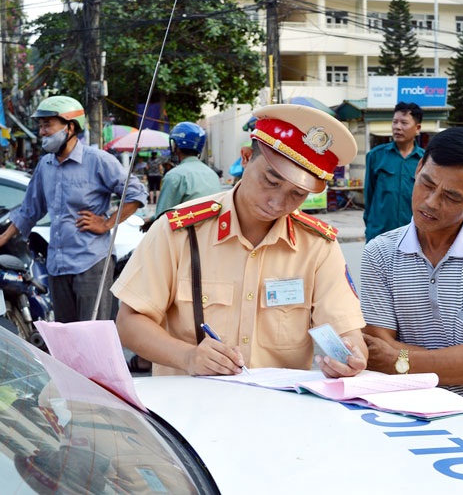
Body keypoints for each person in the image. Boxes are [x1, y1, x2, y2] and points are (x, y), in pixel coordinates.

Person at [113, 104, 368, 377]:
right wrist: (188, 357)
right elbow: (129, 322)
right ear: (246, 158)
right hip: (189, 408)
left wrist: (351, 357)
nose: (278, 202)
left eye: (297, 194)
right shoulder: (179, 231)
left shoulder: (317, 246)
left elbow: (349, 333)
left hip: (280, 411)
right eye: (271, 180)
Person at [360, 127, 463, 427]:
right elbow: (375, 352)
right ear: (419, 168)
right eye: (426, 184)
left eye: (450, 196)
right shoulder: (380, 254)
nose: (430, 202)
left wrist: (400, 360)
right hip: (404, 415)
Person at [0, 95, 147, 322]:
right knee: (65, 336)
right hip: (57, 265)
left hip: (91, 262)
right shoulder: (45, 165)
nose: (42, 132)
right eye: (40, 126)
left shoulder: (98, 160)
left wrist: (106, 223)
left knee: (92, 334)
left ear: (70, 127)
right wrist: (3, 237)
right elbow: (30, 210)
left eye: (47, 125)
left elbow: (137, 194)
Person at [130, 121, 222, 372]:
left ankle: (147, 355)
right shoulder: (210, 173)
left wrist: (148, 224)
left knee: (157, 303)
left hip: (180, 251)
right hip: (213, 248)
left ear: (176, 145)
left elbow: (163, 218)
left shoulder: (175, 175)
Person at [363, 102, 425, 242]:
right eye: (395, 122)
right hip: (379, 234)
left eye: (404, 123)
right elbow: (369, 195)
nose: (397, 127)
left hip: (413, 236)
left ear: (417, 128)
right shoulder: (375, 156)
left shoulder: (426, 161)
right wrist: (370, 228)